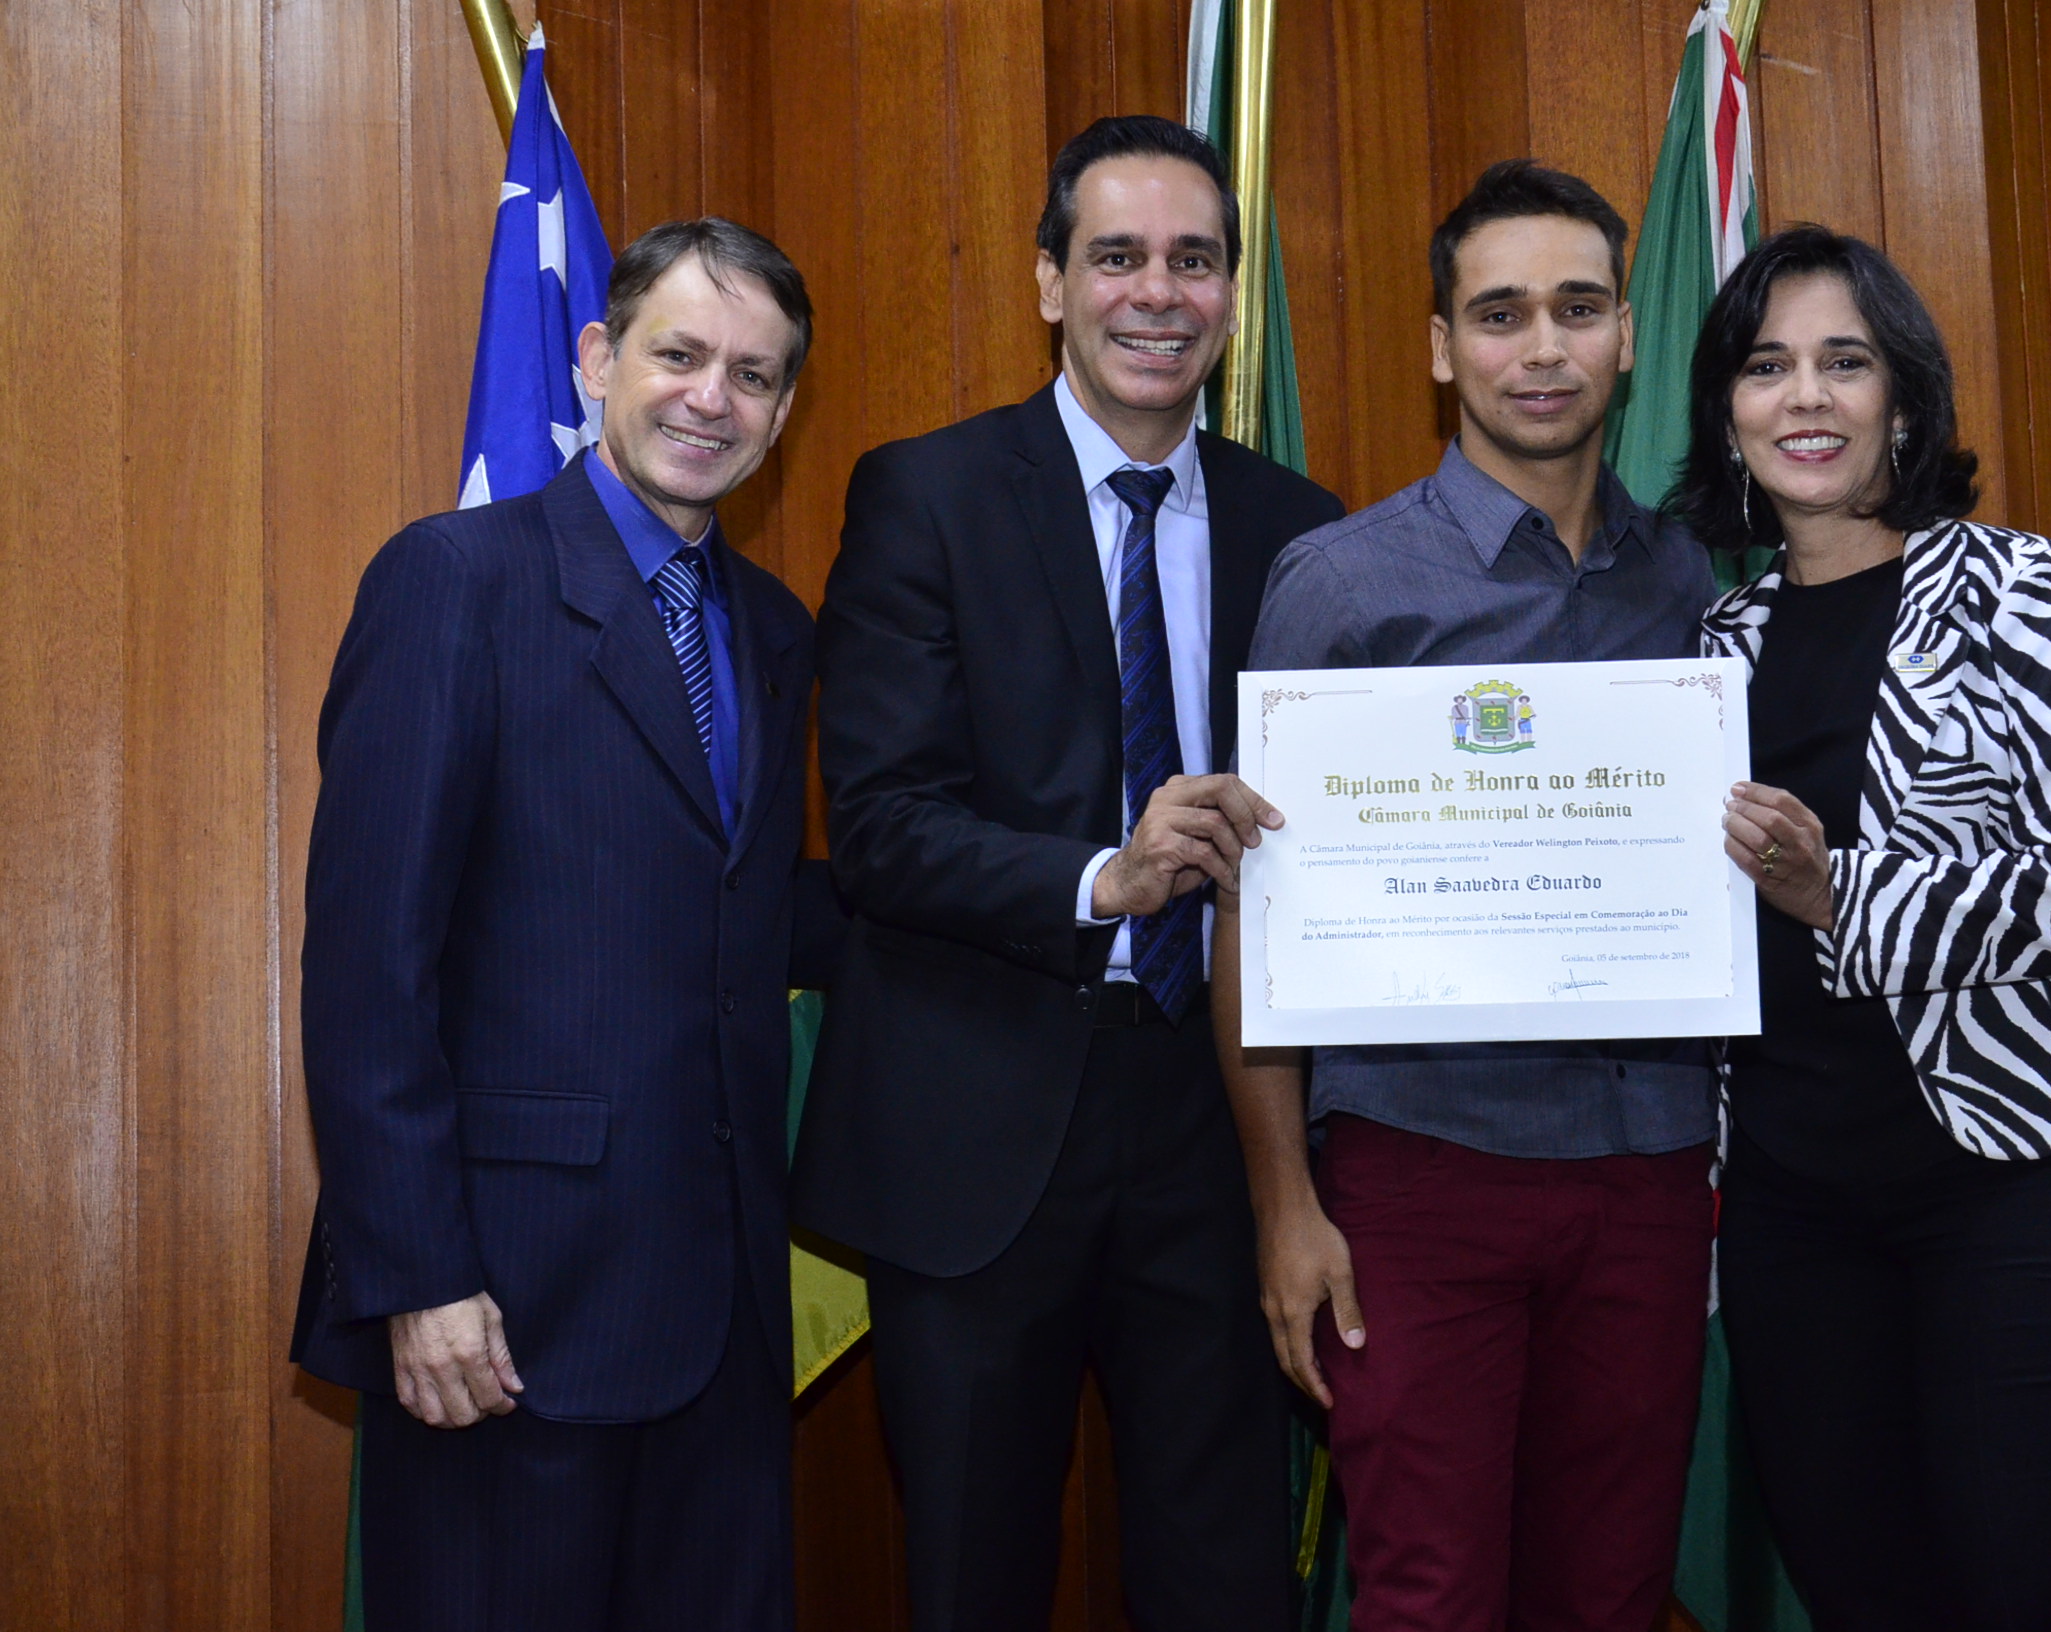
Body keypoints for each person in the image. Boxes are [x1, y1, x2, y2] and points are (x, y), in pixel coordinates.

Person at [793, 115, 1344, 1632]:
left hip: (1221, 1123)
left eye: (1194, 260)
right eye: (1117, 257)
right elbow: (881, 827)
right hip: (974, 1124)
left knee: (1226, 1574)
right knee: (974, 1572)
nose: (1157, 293)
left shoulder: (1304, 532)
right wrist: (1106, 875)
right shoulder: (926, 494)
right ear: (1049, 282)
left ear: (1228, 293)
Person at [290, 219, 824, 1632]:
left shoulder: (776, 632)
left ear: (783, 412)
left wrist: (1075, 883)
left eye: (753, 376)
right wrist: (420, 1278)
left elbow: (751, 920)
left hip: (724, 1317)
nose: (711, 399)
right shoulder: (455, 582)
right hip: (506, 1316)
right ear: (597, 360)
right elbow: (369, 969)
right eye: (679, 355)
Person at [1216, 160, 1720, 1632]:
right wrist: (1284, 1205)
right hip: (1418, 1175)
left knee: (1612, 1594)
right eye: (1500, 315)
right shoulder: (1341, 581)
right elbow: (1258, 914)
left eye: (1578, 308)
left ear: (1628, 336)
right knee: (1429, 1597)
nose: (1542, 348)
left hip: (1646, 1166)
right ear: (1443, 347)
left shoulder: (1693, 584)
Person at [1684, 224, 2051, 1631]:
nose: (1805, 397)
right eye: (1767, 366)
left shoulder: (2018, 587)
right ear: (1727, 411)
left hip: (2032, 1176)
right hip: (1796, 1213)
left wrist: (1836, 892)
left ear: (1902, 401)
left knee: (2035, 1598)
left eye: (1844, 362)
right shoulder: (1712, 650)